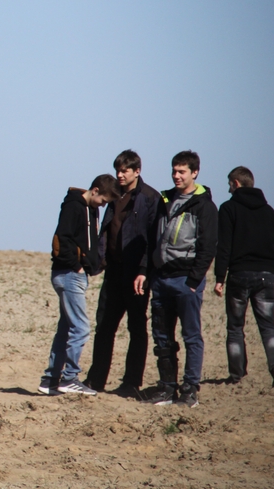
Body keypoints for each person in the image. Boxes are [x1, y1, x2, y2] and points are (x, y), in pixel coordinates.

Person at [134, 150, 218, 408]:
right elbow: (153, 240)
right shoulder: (164, 200)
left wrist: (193, 281)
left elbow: (207, 247)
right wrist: (144, 270)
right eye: (174, 171)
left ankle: (189, 390)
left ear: (195, 173)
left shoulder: (204, 206)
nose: (177, 176)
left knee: (191, 336)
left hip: (186, 282)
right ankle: (167, 387)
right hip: (161, 280)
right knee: (162, 336)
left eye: (182, 172)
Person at [85, 150, 162, 396]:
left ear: (137, 171)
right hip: (114, 271)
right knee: (105, 326)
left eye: (124, 171)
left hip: (137, 275)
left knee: (137, 328)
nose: (119, 175)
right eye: (117, 170)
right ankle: (95, 381)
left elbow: (153, 239)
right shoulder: (113, 196)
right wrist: (97, 262)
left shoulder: (150, 198)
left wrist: (143, 271)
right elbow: (105, 232)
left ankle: (131, 383)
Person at [40, 175, 121, 396]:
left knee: (66, 328)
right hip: (68, 274)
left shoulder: (91, 210)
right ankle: (69, 378)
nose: (103, 205)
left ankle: (50, 380)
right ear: (95, 190)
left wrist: (91, 266)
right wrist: (76, 266)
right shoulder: (73, 207)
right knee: (81, 328)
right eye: (103, 200)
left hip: (74, 274)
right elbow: (62, 239)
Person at [213, 166, 274, 387]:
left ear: (236, 183)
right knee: (269, 326)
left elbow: (224, 247)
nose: (229, 189)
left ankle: (237, 375)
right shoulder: (269, 211)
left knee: (235, 327)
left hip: (239, 275)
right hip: (267, 276)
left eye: (230, 184)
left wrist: (220, 277)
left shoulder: (228, 209)